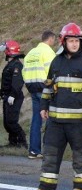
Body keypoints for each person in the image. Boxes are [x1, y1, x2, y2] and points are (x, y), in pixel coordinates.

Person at [29, 23, 82, 190]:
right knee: (50, 154)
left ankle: (81, 186)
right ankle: (46, 187)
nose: (75, 44)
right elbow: (48, 86)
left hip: (79, 121)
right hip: (55, 121)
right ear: (63, 41)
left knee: (80, 153)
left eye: (77, 41)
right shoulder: (56, 62)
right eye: (71, 41)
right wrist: (44, 106)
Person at [21, 30, 57, 159]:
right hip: (45, 88)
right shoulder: (48, 52)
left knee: (36, 119)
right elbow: (53, 71)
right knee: (50, 118)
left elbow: (23, 71)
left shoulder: (31, 52)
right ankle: (48, 150)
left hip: (32, 87)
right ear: (51, 39)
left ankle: (34, 150)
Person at [1, 40, 27, 149]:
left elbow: (17, 82)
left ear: (9, 51)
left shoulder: (16, 65)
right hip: (7, 96)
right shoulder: (10, 64)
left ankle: (22, 142)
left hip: (14, 97)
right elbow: (6, 82)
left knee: (11, 121)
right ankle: (12, 143)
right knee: (7, 122)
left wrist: (12, 95)